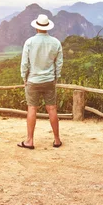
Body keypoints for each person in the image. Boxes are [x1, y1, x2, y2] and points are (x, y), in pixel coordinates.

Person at [17, 14, 63, 150]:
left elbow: (24, 63)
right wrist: (56, 77)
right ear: (47, 27)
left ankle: (29, 141)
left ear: (36, 27)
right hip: (49, 80)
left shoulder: (29, 42)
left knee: (32, 108)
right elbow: (59, 63)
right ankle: (57, 140)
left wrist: (24, 78)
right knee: (52, 108)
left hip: (33, 80)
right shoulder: (56, 42)